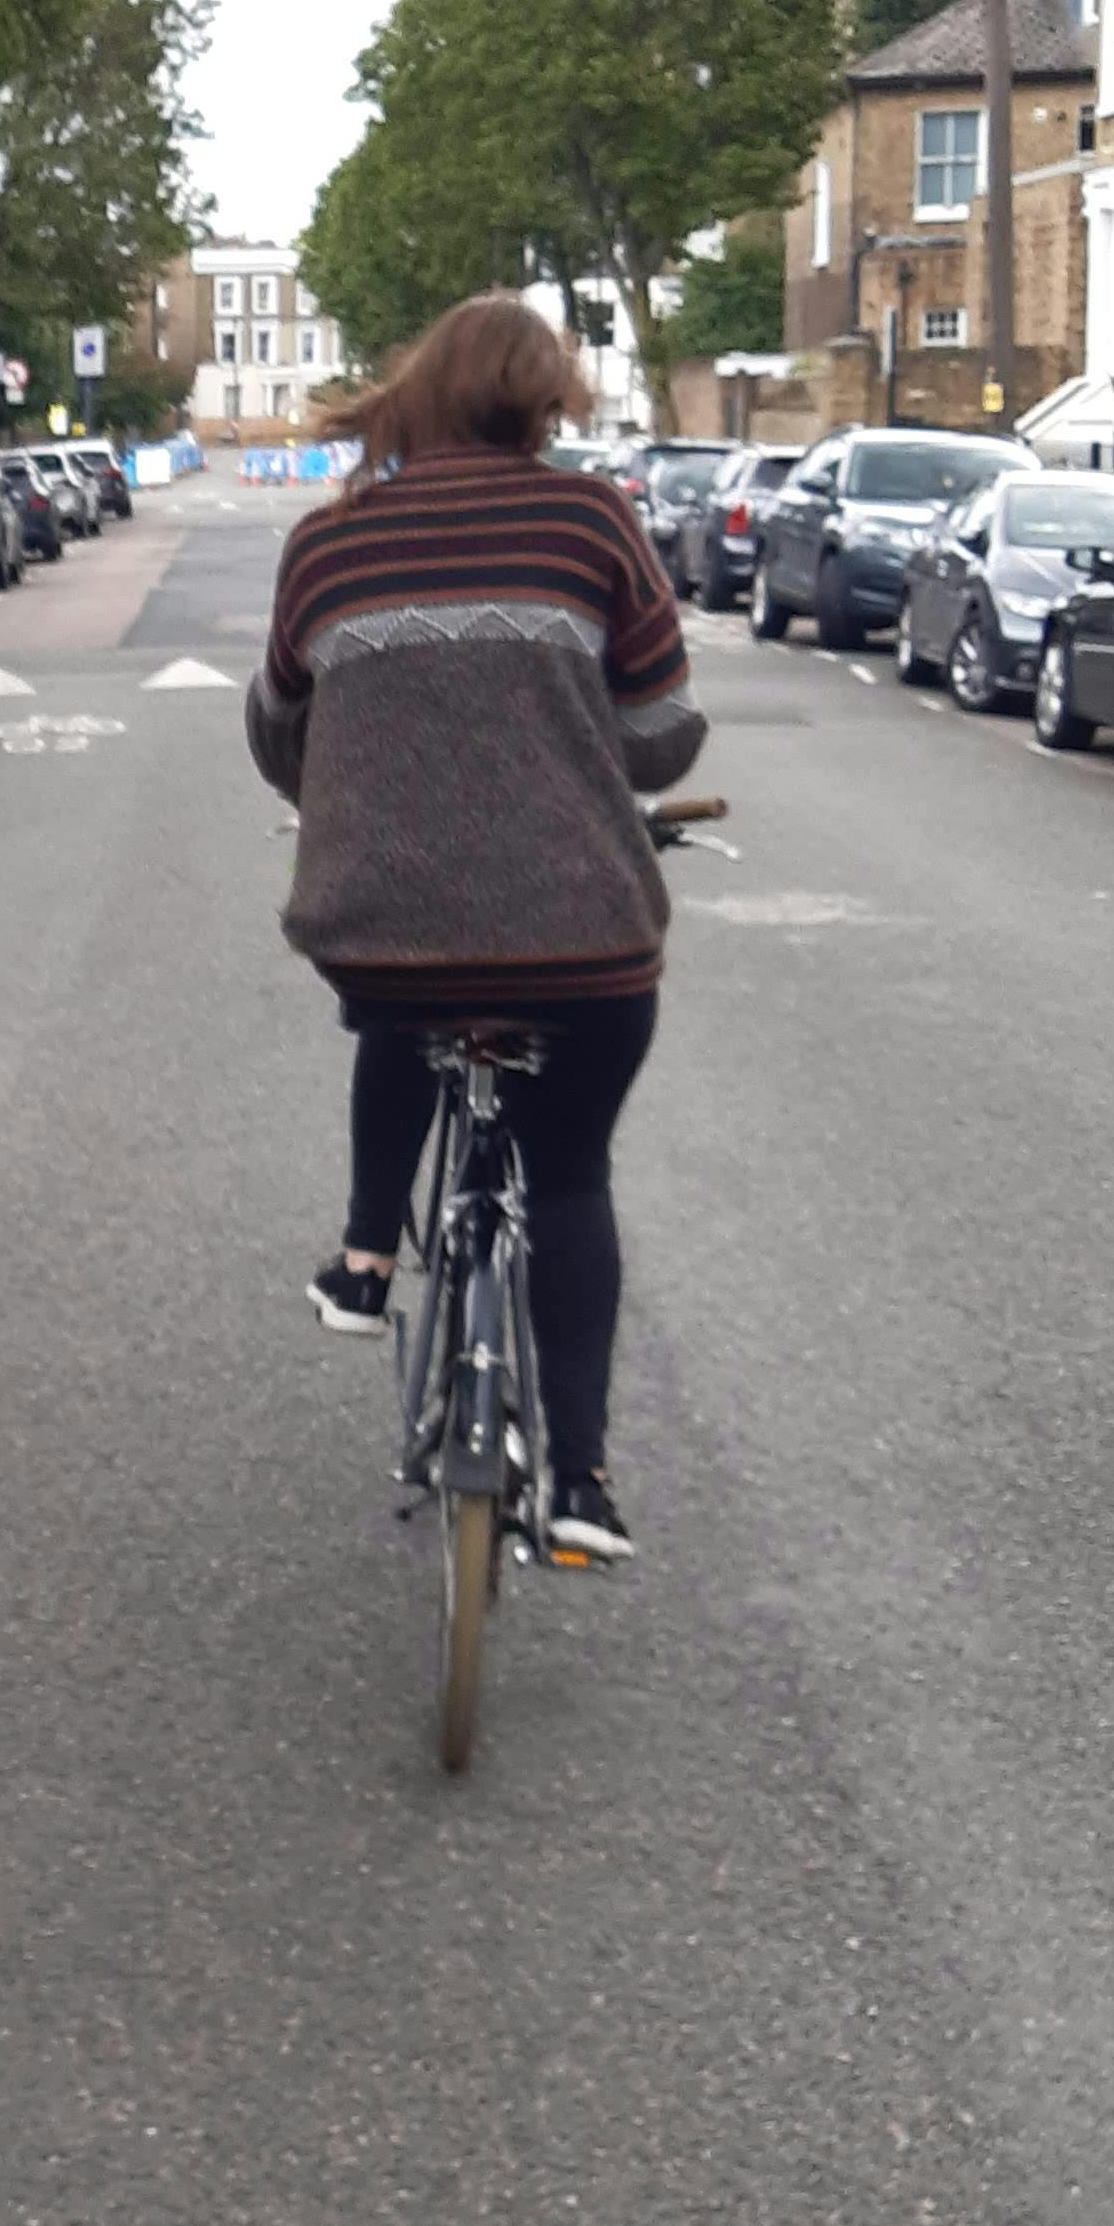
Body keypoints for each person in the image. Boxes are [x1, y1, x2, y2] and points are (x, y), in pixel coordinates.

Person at [243, 294, 703, 1562]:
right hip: (584, 942)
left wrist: (349, 784)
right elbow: (664, 732)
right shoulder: (592, 520)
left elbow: (278, 727)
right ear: (544, 404)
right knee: (571, 1175)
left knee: (405, 1001)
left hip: (379, 932)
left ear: (417, 393)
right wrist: (581, 744)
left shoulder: (327, 542)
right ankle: (581, 1487)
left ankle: (366, 1259)